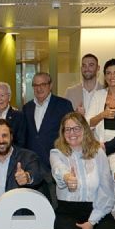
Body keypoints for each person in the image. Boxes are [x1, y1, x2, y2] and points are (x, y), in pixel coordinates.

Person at [23, 72, 73, 206]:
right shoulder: (27, 108)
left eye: (43, 84)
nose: (39, 88)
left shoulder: (64, 105)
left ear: (50, 85)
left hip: (55, 163)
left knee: (56, 205)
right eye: (35, 85)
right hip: (33, 165)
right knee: (34, 205)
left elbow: (69, 134)